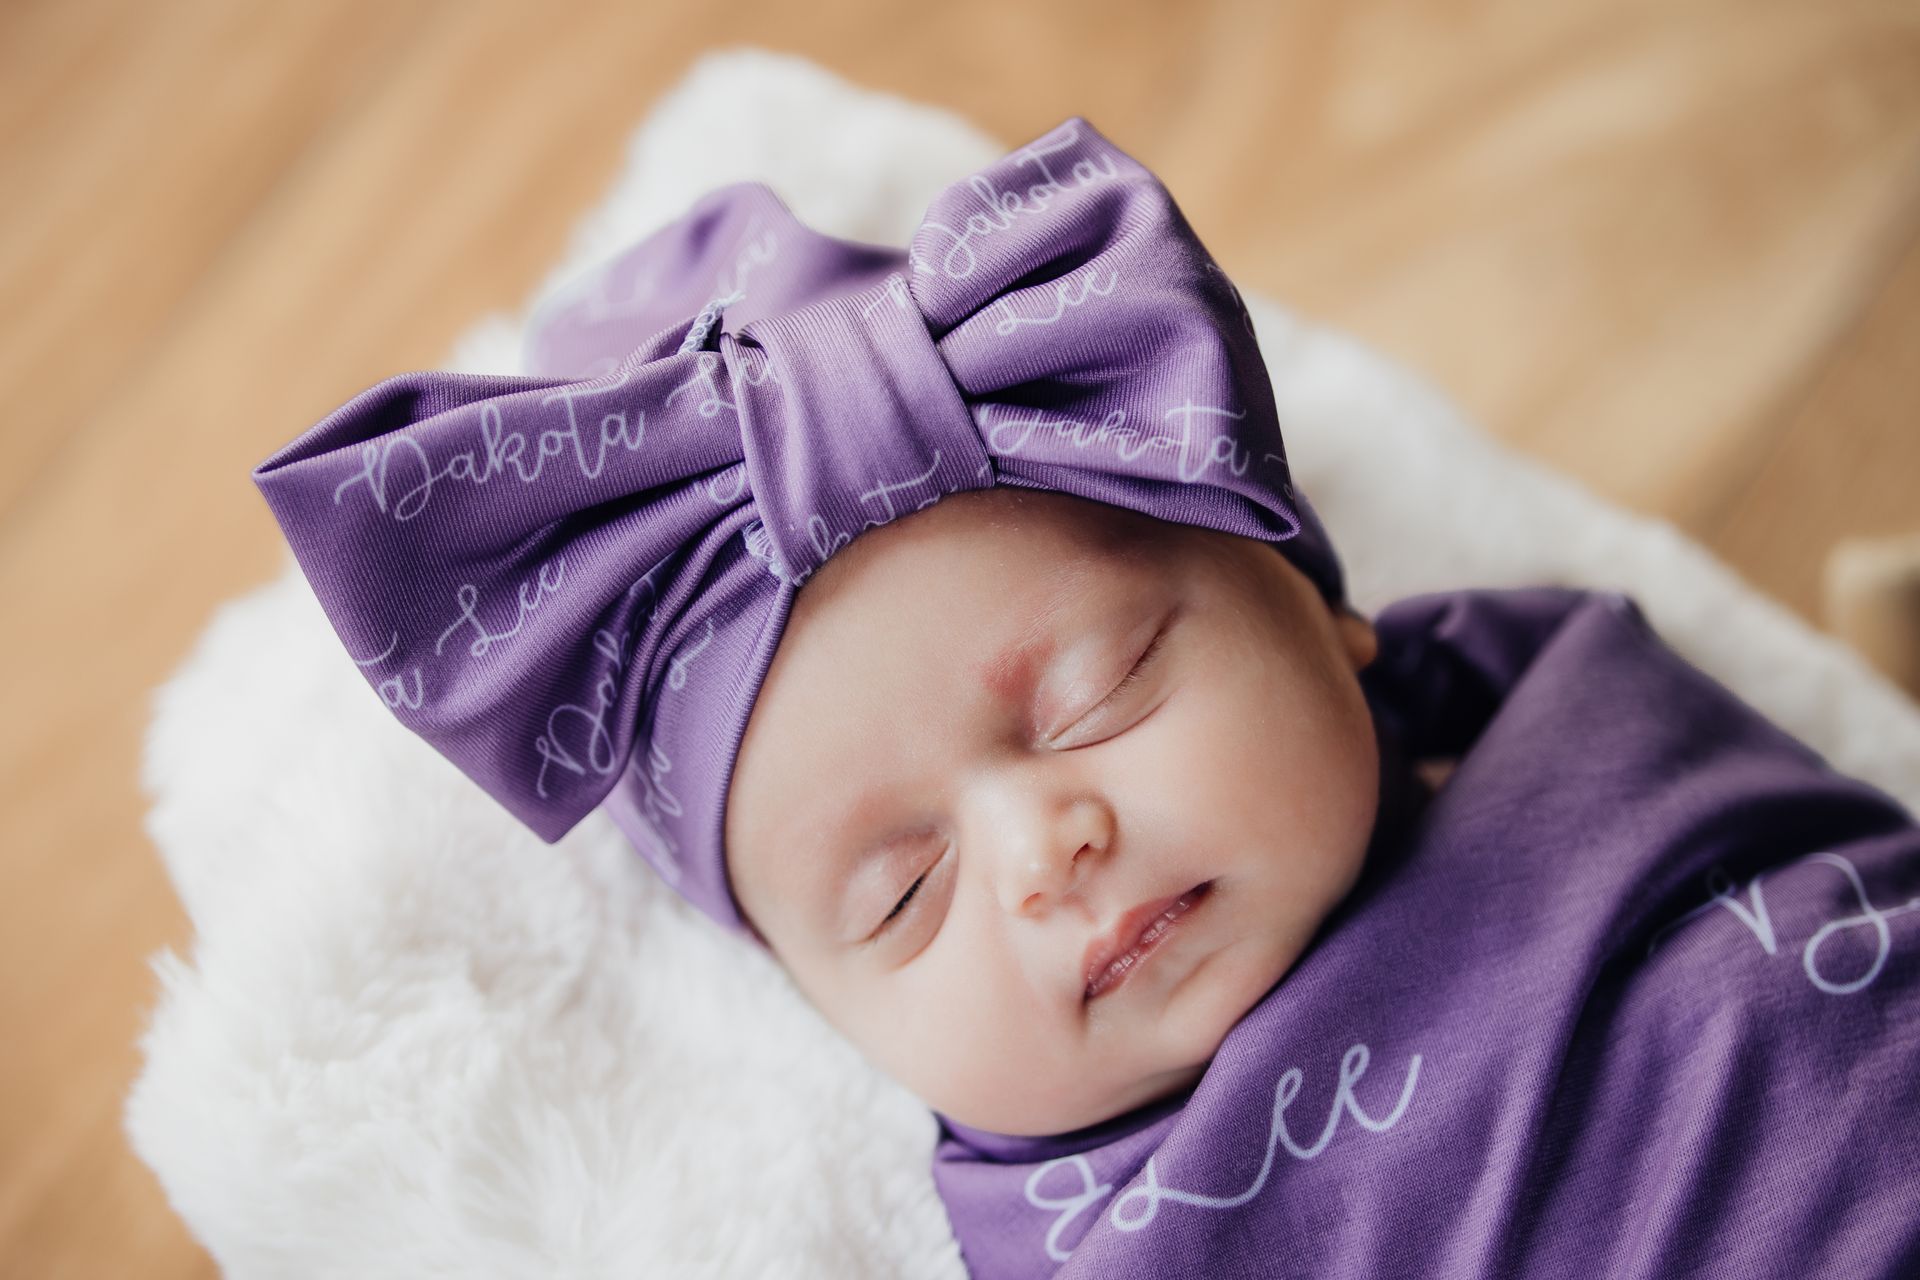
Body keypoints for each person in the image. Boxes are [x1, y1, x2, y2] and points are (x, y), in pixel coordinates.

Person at [253, 117, 1920, 1277]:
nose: (1045, 848)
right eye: (901, 895)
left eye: (1099, 691)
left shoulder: (1547, 708)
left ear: (1327, 614)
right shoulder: (1101, 1233)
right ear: (832, 1023)